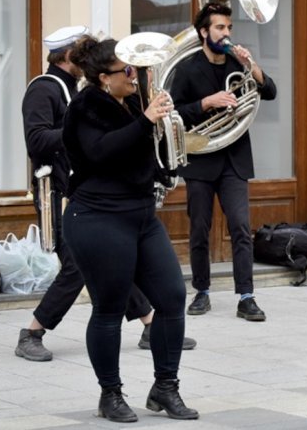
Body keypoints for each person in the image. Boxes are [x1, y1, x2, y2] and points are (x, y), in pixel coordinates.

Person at [16, 26, 196, 363]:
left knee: (112, 265)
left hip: (105, 197)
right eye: (125, 69)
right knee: (77, 267)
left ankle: (149, 322)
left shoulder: (89, 92)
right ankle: (33, 330)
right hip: (62, 189)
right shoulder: (45, 89)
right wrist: (79, 133)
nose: (131, 74)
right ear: (70, 57)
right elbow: (37, 140)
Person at [62, 37, 197, 422]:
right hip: (97, 217)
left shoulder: (134, 101)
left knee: (171, 298)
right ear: (105, 78)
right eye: (129, 71)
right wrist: (146, 121)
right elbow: (102, 151)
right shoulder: (85, 106)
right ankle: (110, 394)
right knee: (109, 307)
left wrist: (167, 126)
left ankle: (165, 388)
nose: (136, 77)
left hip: (139, 215)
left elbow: (149, 149)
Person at [170, 2, 277, 322]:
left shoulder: (237, 62)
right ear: (204, 32)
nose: (227, 33)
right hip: (202, 159)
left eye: (229, 28)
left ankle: (246, 296)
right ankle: (201, 291)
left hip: (234, 159)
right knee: (200, 230)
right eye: (220, 28)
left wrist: (252, 65)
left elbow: (269, 90)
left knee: (241, 228)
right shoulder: (188, 68)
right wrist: (207, 102)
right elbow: (175, 114)